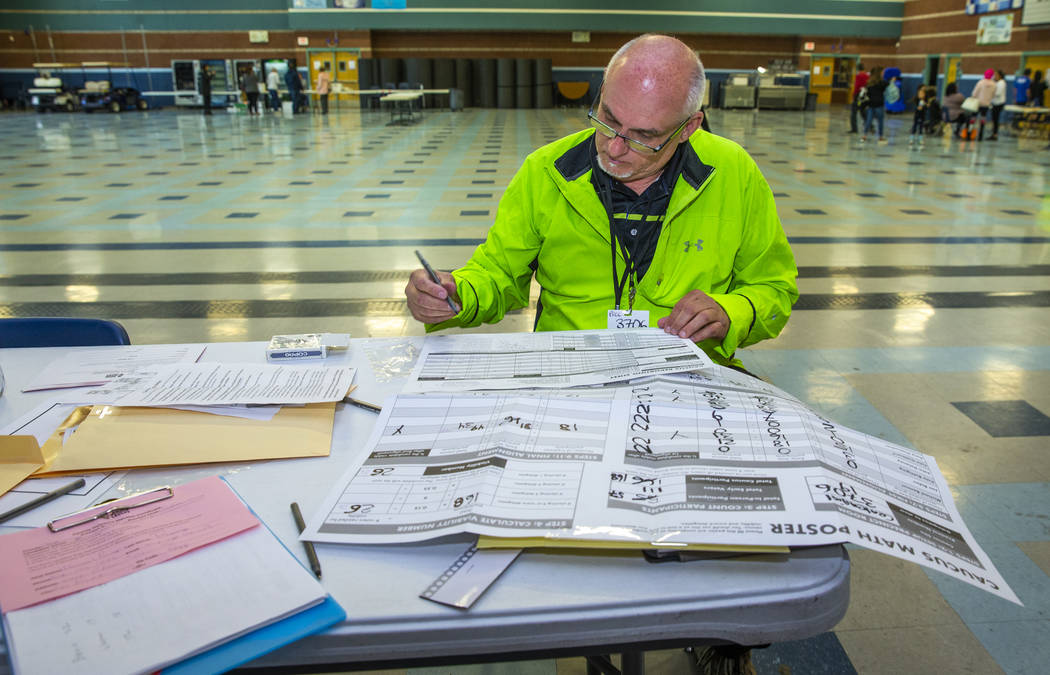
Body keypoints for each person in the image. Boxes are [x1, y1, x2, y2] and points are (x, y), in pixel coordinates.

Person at [404, 34, 798, 371]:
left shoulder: (733, 173)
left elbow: (774, 288)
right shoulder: (547, 171)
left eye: (644, 136)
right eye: (607, 118)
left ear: (688, 128)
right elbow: (499, 273)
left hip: (688, 374)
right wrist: (457, 293)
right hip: (570, 371)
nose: (613, 147)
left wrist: (733, 311)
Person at [861, 67, 887, 142]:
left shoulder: (869, 83)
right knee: (880, 121)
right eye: (882, 72)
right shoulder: (882, 83)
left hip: (871, 104)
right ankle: (880, 137)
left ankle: (864, 136)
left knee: (868, 121)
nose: (883, 74)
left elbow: (867, 93)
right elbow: (886, 86)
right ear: (879, 74)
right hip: (879, 105)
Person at [971, 69, 996, 141]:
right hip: (986, 104)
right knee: (983, 118)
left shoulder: (980, 83)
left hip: (977, 103)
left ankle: (970, 132)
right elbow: (993, 95)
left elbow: (974, 93)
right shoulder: (994, 84)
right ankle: (980, 135)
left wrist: (974, 98)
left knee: (973, 118)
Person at [849, 63, 870, 134]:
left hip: (858, 96)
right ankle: (870, 126)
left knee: (853, 112)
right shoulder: (867, 76)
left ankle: (854, 129)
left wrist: (853, 95)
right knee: (863, 111)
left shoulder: (859, 76)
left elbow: (857, 86)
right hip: (864, 96)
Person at [990, 70, 1006, 141]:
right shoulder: (997, 82)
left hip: (998, 103)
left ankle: (995, 134)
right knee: (994, 119)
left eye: (996, 75)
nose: (995, 76)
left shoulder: (1001, 83)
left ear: (1000, 75)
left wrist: (991, 92)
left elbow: (998, 93)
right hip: (995, 103)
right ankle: (993, 133)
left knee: (995, 120)